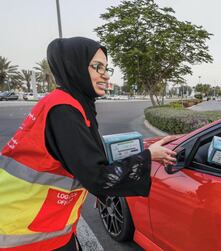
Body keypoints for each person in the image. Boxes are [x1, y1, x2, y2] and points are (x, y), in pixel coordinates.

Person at [0, 37, 177, 251]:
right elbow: (97, 177)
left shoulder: (67, 103)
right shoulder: (64, 110)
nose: (105, 74)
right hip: (24, 232)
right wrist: (149, 156)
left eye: (106, 67)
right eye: (97, 66)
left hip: (43, 224)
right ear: (74, 66)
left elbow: (81, 162)